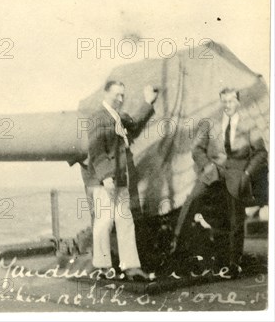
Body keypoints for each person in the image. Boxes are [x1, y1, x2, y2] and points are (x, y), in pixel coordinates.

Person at [172, 88, 268, 270]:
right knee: (192, 200)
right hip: (212, 171)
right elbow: (196, 149)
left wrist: (247, 174)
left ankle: (233, 262)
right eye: (224, 101)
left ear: (238, 102)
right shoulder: (210, 123)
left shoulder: (249, 125)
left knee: (235, 217)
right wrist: (208, 166)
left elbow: (261, 153)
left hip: (237, 174)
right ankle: (176, 248)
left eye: (231, 101)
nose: (228, 105)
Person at [87, 81, 158, 280]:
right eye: (116, 95)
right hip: (107, 179)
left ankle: (131, 267)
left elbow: (134, 125)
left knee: (125, 221)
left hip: (121, 177)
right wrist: (105, 176)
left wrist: (148, 102)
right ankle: (102, 266)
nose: (120, 99)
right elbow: (95, 149)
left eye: (122, 96)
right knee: (104, 222)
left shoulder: (118, 117)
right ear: (105, 93)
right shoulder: (97, 118)